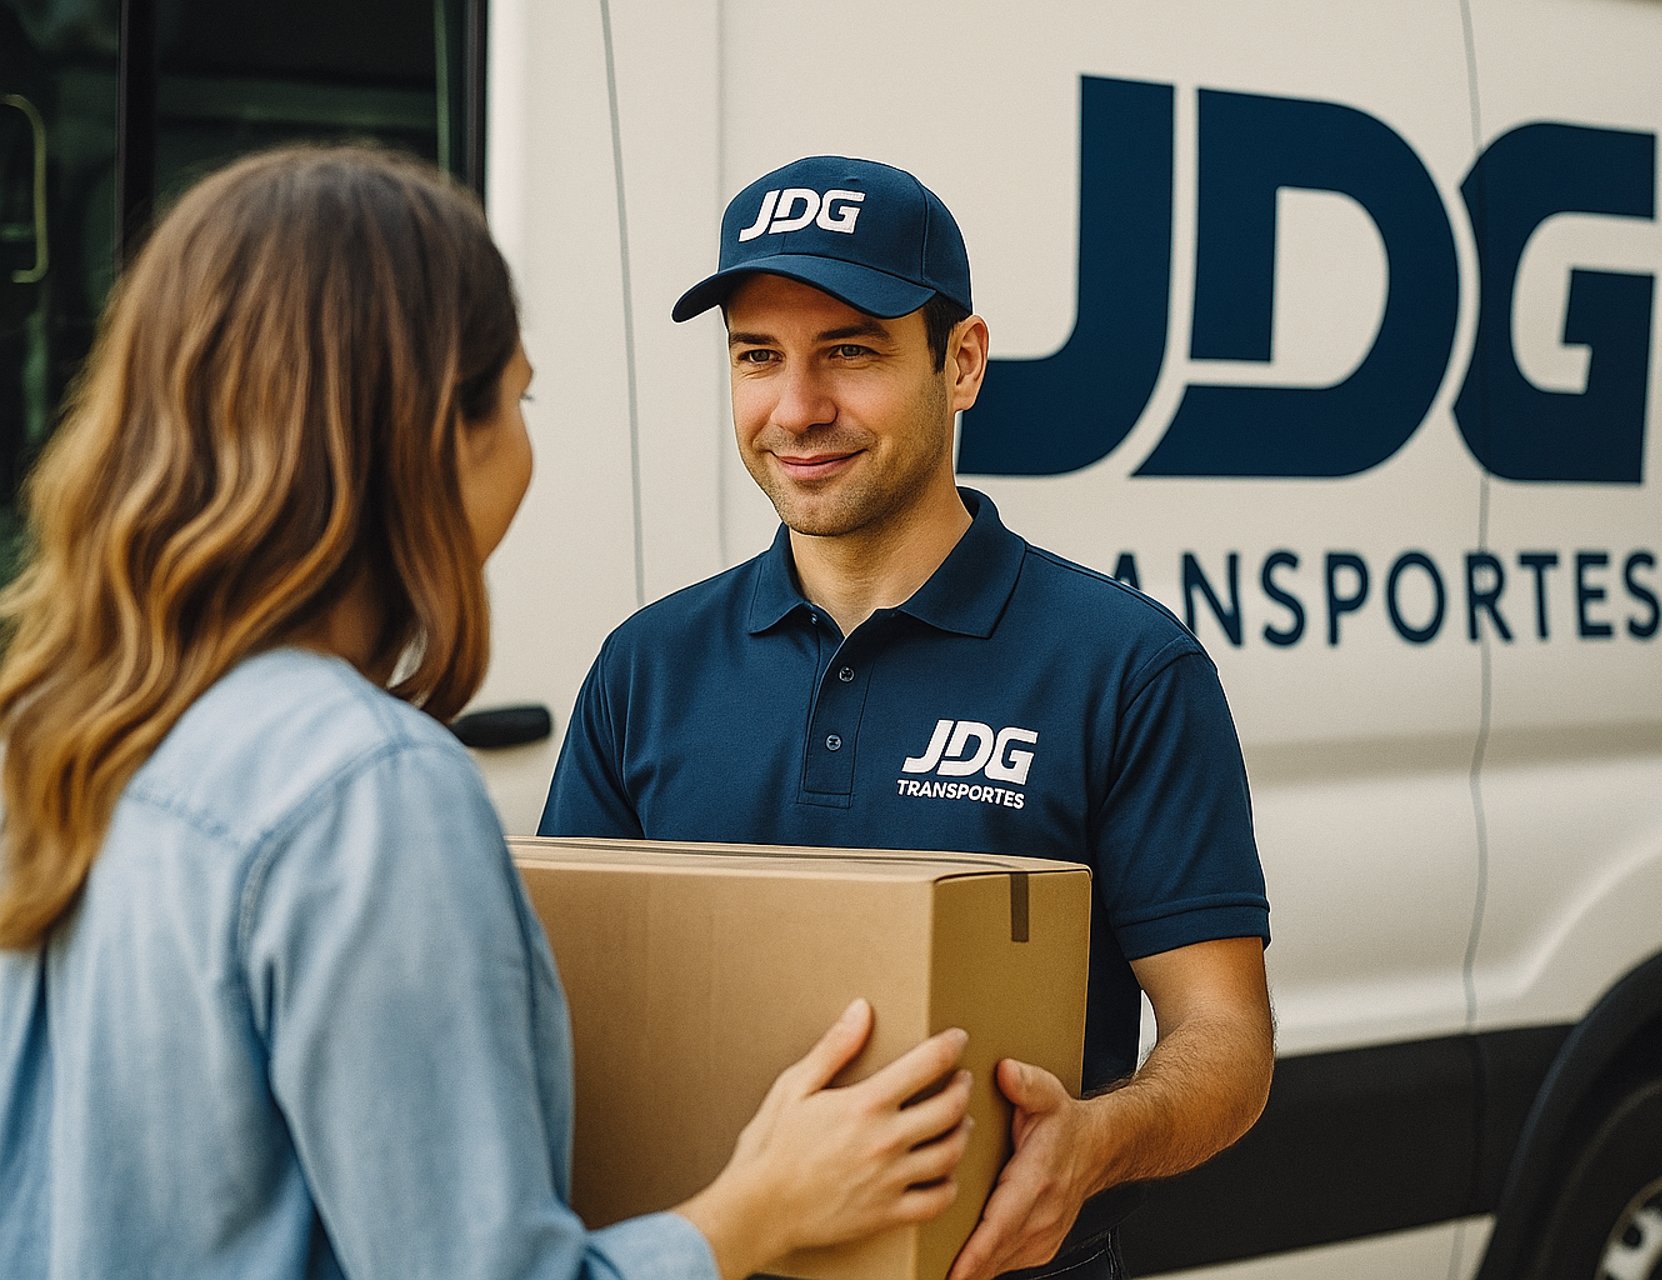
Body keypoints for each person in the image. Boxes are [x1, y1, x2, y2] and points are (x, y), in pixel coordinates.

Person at [0, 145, 976, 1280]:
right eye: (515, 398)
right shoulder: (368, 790)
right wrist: (760, 1205)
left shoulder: (60, 732)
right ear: (423, 436)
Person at [540, 155, 1275, 1280]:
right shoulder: (646, 666)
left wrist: (1094, 1142)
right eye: (756, 357)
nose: (797, 408)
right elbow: (566, 1020)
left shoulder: (1125, 665)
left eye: (849, 350)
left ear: (962, 361)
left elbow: (1225, 1041)